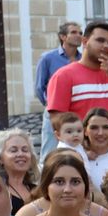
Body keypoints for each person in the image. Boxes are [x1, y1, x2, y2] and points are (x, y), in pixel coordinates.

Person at [45, 21, 108, 150]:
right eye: (100, 40)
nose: (106, 46)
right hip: (83, 157)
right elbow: (57, 120)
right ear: (85, 42)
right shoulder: (63, 76)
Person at [34, 21, 82, 154]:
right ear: (63, 37)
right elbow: (39, 87)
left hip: (77, 111)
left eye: (80, 33)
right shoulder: (48, 58)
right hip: (55, 111)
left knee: (77, 150)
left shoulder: (83, 59)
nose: (79, 35)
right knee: (50, 150)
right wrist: (51, 105)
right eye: (73, 32)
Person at [78, 107, 108, 192]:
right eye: (94, 128)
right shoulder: (76, 160)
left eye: (106, 127)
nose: (100, 133)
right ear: (85, 131)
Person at [0, 129, 38, 212]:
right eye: (13, 150)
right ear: (0, 159)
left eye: (25, 150)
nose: (20, 154)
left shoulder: (37, 190)